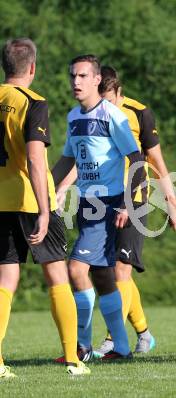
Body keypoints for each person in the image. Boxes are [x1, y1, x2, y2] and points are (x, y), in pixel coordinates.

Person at [0, 38, 89, 377]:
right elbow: (36, 161)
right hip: (28, 198)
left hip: (0, 201)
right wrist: (44, 209)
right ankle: (71, 358)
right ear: (33, 67)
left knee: (6, 276)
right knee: (56, 273)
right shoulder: (32, 102)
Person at [52, 54, 144, 361]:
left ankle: (82, 346)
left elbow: (138, 160)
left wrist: (128, 205)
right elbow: (68, 158)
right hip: (86, 203)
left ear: (96, 80)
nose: (75, 82)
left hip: (108, 204)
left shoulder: (111, 115)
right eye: (72, 76)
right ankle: (120, 346)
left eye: (82, 76)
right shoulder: (73, 117)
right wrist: (48, 189)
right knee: (104, 277)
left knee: (76, 268)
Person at [90, 65, 176, 355]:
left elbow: (154, 159)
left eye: (109, 100)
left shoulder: (139, 113)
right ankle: (143, 333)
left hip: (135, 199)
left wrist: (171, 200)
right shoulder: (90, 113)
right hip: (101, 200)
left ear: (120, 92)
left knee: (121, 270)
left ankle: (111, 338)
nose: (105, 108)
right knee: (110, 273)